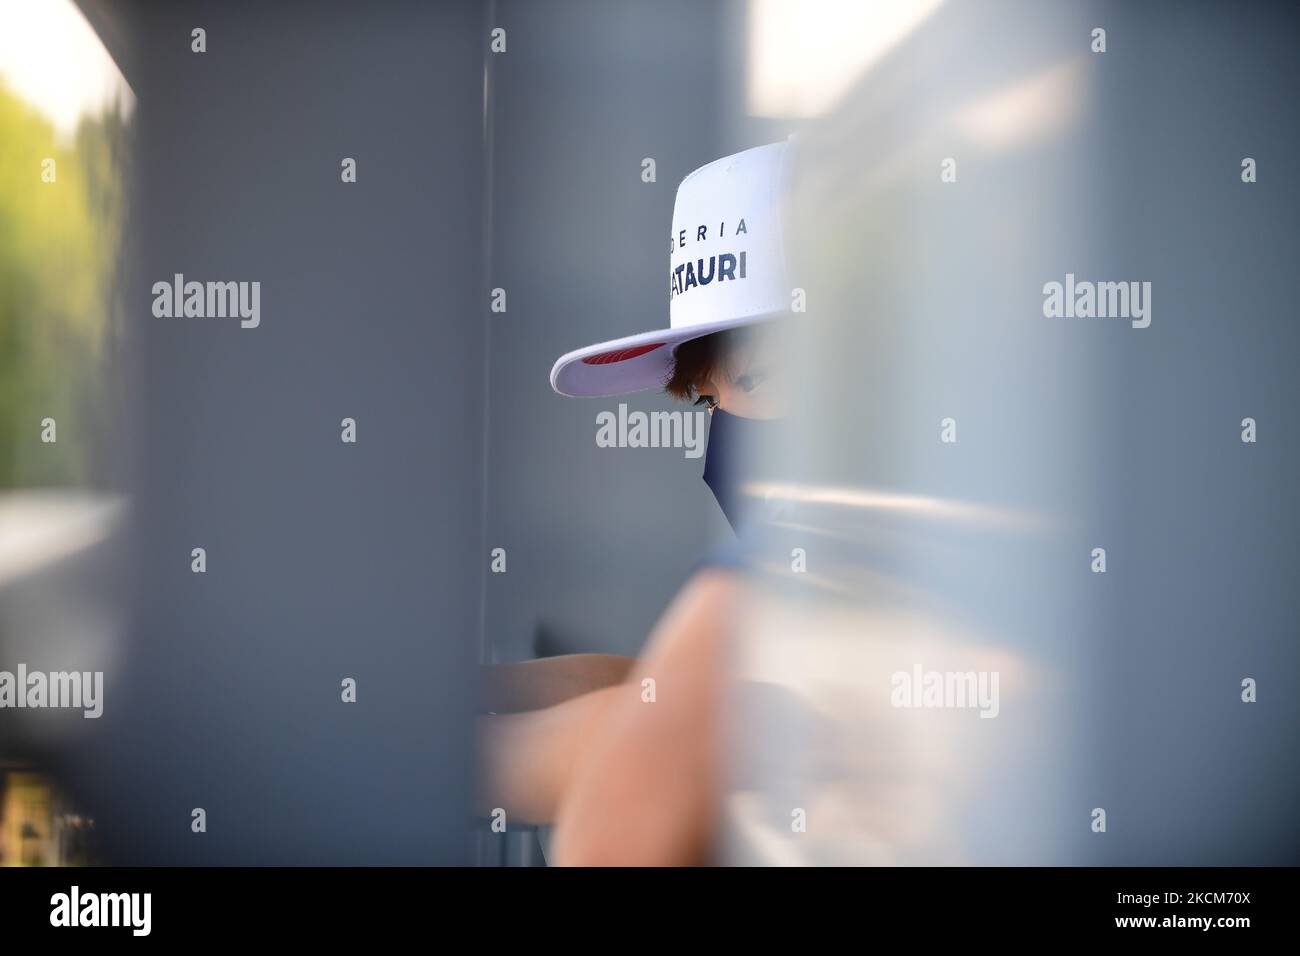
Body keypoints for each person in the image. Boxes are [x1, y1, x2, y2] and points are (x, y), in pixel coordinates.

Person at [478, 141, 800, 865]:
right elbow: (666, 692)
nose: (727, 431)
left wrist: (433, 762)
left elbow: (646, 781)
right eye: (708, 401)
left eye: (754, 380)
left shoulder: (858, 529)